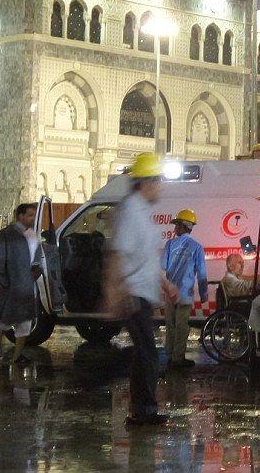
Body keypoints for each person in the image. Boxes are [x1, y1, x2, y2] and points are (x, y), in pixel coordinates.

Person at [112, 152, 175, 426]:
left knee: (144, 353)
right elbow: (117, 255)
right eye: (159, 180)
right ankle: (144, 410)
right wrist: (114, 292)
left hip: (144, 293)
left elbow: (148, 257)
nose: (160, 186)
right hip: (133, 293)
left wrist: (165, 283)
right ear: (147, 182)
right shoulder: (130, 211)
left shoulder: (144, 212)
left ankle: (141, 409)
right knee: (148, 353)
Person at [0, 203, 43, 364]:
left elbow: (37, 256)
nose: (33, 218)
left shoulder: (33, 236)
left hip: (28, 285)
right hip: (12, 285)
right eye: (30, 215)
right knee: (9, 319)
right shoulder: (6, 235)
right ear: (20, 216)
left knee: (26, 322)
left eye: (34, 215)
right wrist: (1, 284)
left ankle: (17, 356)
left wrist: (36, 270)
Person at [162, 208, 208, 370]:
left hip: (170, 294)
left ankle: (169, 356)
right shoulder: (197, 247)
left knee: (171, 325)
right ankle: (178, 358)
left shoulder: (169, 245)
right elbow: (202, 273)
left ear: (183, 226)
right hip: (185, 295)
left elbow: (162, 268)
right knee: (182, 326)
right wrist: (204, 294)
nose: (174, 228)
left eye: (176, 225)